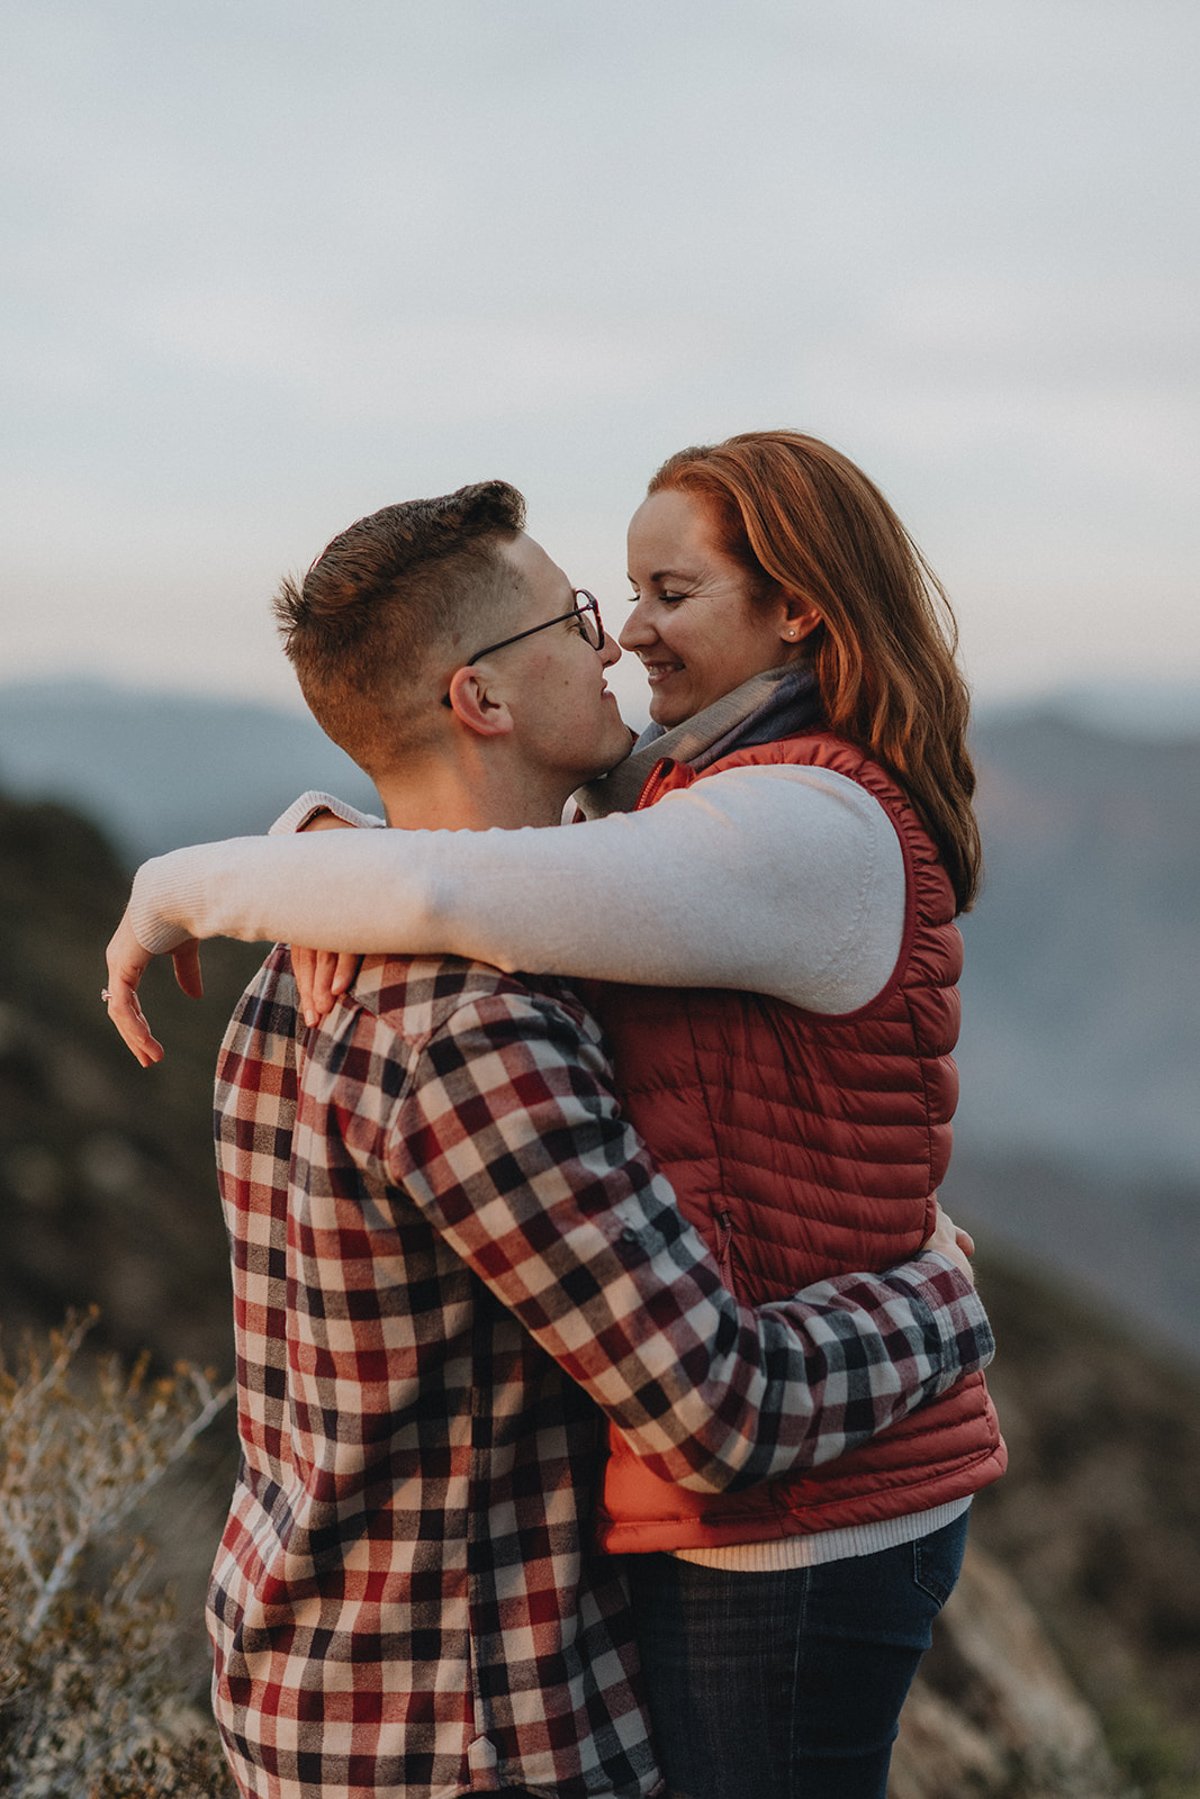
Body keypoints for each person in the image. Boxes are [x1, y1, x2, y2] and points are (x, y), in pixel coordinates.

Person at [106, 434, 1006, 1799]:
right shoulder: (474, 1030)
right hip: (467, 1721)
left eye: (648, 598)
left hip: (309, 1664)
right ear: (481, 695)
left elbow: (471, 886)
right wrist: (943, 1301)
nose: (616, 642)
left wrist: (239, 868)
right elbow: (720, 1412)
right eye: (581, 615)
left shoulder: (292, 963)